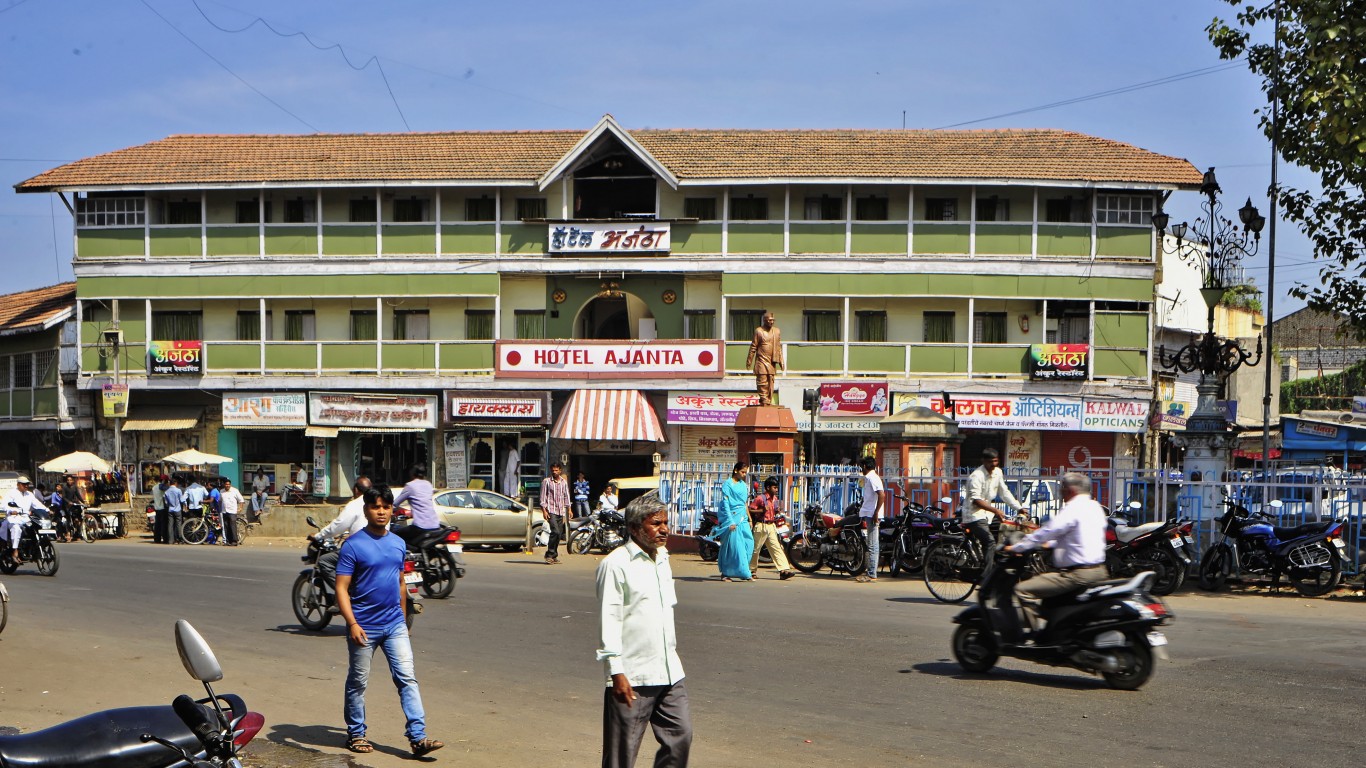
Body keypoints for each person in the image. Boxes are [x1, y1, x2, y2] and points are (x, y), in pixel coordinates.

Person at [335, 486, 443, 758]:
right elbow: (341, 588)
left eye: (386, 507)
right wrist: (352, 623)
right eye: (375, 507)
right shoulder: (353, 545)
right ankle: (356, 733)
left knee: (407, 678)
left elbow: (400, 582)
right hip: (364, 626)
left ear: (392, 510)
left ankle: (418, 737)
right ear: (366, 510)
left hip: (394, 624)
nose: (381, 512)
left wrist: (404, 619)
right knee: (358, 682)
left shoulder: (398, 543)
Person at [596, 491, 692, 768]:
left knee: (681, 738)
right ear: (634, 528)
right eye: (656, 523)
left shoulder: (662, 558)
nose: (664, 529)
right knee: (621, 755)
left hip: (669, 671)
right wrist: (616, 672)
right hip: (632, 676)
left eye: (665, 523)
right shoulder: (616, 565)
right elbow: (609, 618)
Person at [1006, 472, 1109, 636]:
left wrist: (1017, 548)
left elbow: (1047, 531)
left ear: (1070, 490)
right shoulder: (1095, 507)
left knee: (1022, 590)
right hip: (1099, 571)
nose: (1060, 492)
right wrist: (1051, 544)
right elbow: (1080, 536)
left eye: (1062, 489)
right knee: (1049, 603)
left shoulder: (1073, 508)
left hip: (1076, 575)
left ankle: (1035, 638)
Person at [312, 476, 373, 589]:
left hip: (360, 550)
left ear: (356, 490)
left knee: (324, 561)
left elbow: (337, 527)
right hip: (379, 546)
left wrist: (318, 536)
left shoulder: (355, 504)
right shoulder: (378, 502)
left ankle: (344, 592)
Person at [961, 448, 1024, 558]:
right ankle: (987, 569)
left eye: (995, 461)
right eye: (990, 462)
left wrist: (1019, 508)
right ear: (983, 461)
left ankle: (997, 562)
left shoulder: (998, 472)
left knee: (1005, 533)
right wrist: (996, 510)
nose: (993, 464)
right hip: (973, 516)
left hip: (988, 515)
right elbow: (976, 501)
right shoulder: (976, 476)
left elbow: (1004, 492)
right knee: (990, 542)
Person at [748, 477, 796, 580]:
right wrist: (761, 510)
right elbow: (750, 510)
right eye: (774, 487)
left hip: (771, 526)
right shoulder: (760, 498)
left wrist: (777, 511)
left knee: (776, 548)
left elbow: (774, 511)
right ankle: (751, 570)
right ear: (768, 487)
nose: (776, 490)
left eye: (777, 488)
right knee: (756, 549)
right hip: (761, 525)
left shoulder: (775, 499)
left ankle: (783, 570)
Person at [716, 463, 754, 581]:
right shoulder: (728, 484)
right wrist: (730, 521)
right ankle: (730, 573)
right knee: (734, 546)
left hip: (743, 518)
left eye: (745, 472)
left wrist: (749, 519)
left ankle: (741, 569)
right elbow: (726, 503)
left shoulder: (743, 485)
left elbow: (744, 503)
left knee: (749, 543)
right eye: (742, 472)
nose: (744, 475)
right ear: (736, 470)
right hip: (732, 518)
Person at [2, 476, 49, 562]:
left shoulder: (30, 494)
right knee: (16, 528)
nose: (26, 486)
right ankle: (15, 550)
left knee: (37, 526)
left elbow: (37, 504)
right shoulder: (11, 493)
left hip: (26, 518)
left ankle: (35, 549)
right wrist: (11, 510)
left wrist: (47, 510)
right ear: (18, 484)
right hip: (13, 518)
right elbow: (4, 505)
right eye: (24, 484)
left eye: (27, 484)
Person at [854, 455, 885, 583]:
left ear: (865, 466)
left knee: (872, 545)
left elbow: (882, 495)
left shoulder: (872, 478)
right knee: (872, 544)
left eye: (862, 466)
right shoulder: (870, 478)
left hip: (872, 514)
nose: (861, 469)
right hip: (869, 513)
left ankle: (871, 574)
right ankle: (871, 572)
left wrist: (876, 512)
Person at [392, 465, 438, 546]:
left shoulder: (410, 486)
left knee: (394, 534)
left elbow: (395, 504)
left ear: (412, 473)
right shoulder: (428, 484)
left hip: (420, 526)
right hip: (435, 525)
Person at [745, 311, 783, 406]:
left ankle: (767, 400)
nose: (772, 322)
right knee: (762, 381)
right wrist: (749, 360)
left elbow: (778, 347)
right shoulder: (759, 331)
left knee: (770, 382)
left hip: (771, 361)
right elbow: (753, 347)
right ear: (765, 320)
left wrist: (781, 361)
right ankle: (764, 398)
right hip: (761, 360)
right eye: (770, 320)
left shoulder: (776, 331)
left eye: (773, 320)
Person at [541, 463, 570, 564]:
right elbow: (543, 497)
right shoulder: (546, 481)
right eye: (553, 470)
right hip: (551, 510)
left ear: (560, 471)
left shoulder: (563, 482)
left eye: (556, 470)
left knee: (559, 534)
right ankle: (549, 554)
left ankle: (554, 555)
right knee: (555, 532)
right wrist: (544, 511)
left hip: (560, 511)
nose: (554, 472)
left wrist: (569, 509)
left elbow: (566, 496)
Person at [219, 477, 245, 546]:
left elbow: (241, 500)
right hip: (224, 511)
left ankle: (234, 541)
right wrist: (219, 509)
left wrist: (240, 508)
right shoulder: (221, 491)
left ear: (230, 485)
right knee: (226, 526)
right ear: (224, 485)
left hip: (232, 511)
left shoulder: (235, 491)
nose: (227, 485)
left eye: (228, 484)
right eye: (226, 484)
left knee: (232, 526)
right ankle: (227, 541)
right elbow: (220, 500)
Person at [184, 475, 208, 544]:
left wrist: (185, 504)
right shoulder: (202, 487)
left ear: (189, 481)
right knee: (200, 523)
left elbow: (183, 498)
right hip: (199, 507)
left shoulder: (188, 488)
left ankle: (191, 539)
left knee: (191, 523)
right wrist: (202, 498)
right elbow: (207, 494)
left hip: (191, 508)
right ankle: (200, 538)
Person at [164, 476, 185, 544]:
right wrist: (185, 504)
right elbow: (181, 500)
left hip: (170, 509)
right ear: (175, 483)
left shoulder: (166, 492)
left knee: (170, 525)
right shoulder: (178, 490)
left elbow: (166, 502)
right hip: (177, 509)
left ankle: (170, 540)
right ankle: (180, 539)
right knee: (178, 524)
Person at [151, 474, 169, 544]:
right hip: (162, 508)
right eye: (166, 481)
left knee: (157, 525)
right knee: (163, 525)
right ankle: (165, 539)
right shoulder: (162, 487)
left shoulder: (154, 487)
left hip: (156, 507)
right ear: (164, 480)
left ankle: (157, 539)